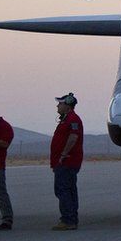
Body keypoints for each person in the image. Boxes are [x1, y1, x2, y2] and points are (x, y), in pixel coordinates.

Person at [51, 93, 83, 231]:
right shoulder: (66, 119)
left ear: (67, 105)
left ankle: (68, 219)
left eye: (60, 103)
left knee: (63, 189)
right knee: (68, 189)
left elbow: (73, 137)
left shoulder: (72, 119)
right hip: (64, 161)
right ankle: (71, 218)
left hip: (67, 162)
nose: (58, 106)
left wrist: (64, 154)